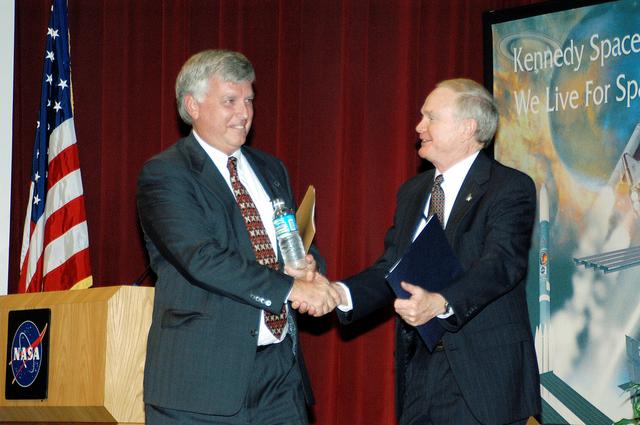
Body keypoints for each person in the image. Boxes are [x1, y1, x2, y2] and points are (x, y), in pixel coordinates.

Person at [136, 49, 340, 424]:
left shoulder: (270, 168)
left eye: (249, 100)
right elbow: (201, 258)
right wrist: (290, 288)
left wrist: (309, 266)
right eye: (230, 100)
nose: (244, 113)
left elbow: (292, 239)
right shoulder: (166, 174)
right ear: (192, 106)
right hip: (201, 382)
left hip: (279, 377)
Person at [333, 78, 541, 425]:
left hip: (484, 377)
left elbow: (501, 264)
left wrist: (441, 302)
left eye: (430, 117)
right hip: (420, 371)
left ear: (467, 128)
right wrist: (339, 293)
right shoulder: (412, 192)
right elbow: (391, 268)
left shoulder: (509, 187)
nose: (419, 127)